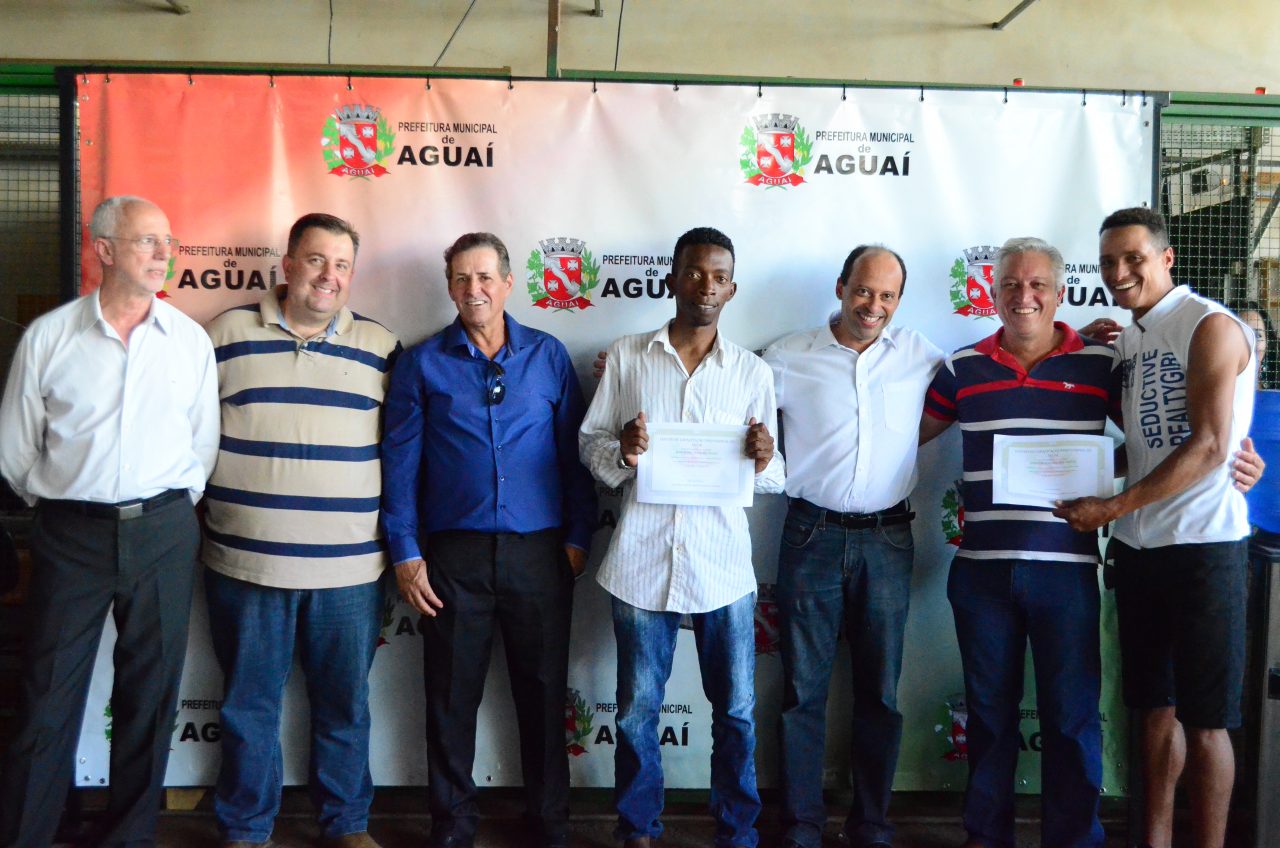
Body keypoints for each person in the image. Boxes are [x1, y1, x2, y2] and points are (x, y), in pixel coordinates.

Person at [0, 195, 219, 848]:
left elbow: (202, 445)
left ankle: (128, 837)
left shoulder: (189, 341)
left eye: (167, 242)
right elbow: (15, 449)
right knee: (46, 695)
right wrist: (67, 504)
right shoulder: (50, 337)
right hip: (70, 536)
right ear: (103, 250)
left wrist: (163, 507)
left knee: (150, 698)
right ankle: (27, 834)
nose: (162, 254)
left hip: (164, 532)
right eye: (147, 240)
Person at [380, 232, 596, 848]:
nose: (472, 289)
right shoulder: (422, 364)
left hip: (540, 556)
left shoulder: (549, 356)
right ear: (449, 287)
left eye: (483, 278)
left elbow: (575, 456)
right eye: (460, 279)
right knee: (450, 701)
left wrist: (578, 539)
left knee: (544, 697)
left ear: (507, 283)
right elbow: (399, 466)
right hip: (453, 559)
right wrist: (406, 552)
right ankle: (452, 827)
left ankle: (550, 825)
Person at [1055, 207, 1257, 848]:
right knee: (1153, 710)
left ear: (1167, 258)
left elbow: (1209, 446)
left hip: (1205, 549)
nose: (1118, 272)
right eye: (1108, 262)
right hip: (1141, 550)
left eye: (1133, 258)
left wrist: (1110, 508)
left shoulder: (1209, 325)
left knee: (1207, 722)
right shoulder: (1131, 340)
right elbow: (1143, 449)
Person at [579, 227, 784, 848]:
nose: (706, 287)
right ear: (671, 279)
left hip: (722, 566)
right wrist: (624, 450)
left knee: (737, 712)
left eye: (719, 277)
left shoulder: (751, 372)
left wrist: (764, 457)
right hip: (642, 561)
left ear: (733, 289)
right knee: (637, 712)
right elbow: (591, 444)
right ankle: (638, 829)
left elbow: (774, 474)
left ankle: (737, 832)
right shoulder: (627, 357)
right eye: (694, 273)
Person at [202, 213, 401, 848]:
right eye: (316, 260)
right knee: (248, 705)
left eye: (341, 265)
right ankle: (246, 828)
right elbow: (185, 437)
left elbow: (405, 455)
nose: (328, 276)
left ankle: (346, 824)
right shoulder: (224, 335)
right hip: (245, 564)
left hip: (349, 570)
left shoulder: (382, 347)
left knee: (345, 705)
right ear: (287, 265)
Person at [919, 237, 1116, 848]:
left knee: (1072, 719)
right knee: (988, 720)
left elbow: (1152, 440)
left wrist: (1230, 455)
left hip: (1067, 574)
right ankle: (987, 838)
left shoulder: (1103, 364)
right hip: (981, 575)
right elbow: (895, 437)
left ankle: (1074, 840)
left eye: (1037, 285)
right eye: (1009, 284)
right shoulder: (961, 368)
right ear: (993, 292)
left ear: (1060, 293)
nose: (1022, 296)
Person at [762, 246, 943, 848]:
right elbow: (723, 391)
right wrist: (629, 366)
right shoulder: (788, 356)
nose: (874, 305)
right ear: (841, 287)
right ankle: (801, 827)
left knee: (881, 694)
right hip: (810, 534)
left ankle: (871, 826)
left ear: (899, 300)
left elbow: (993, 368)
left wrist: (1077, 340)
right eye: (864, 290)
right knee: (802, 693)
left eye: (888, 295)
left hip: (889, 538)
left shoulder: (921, 354)